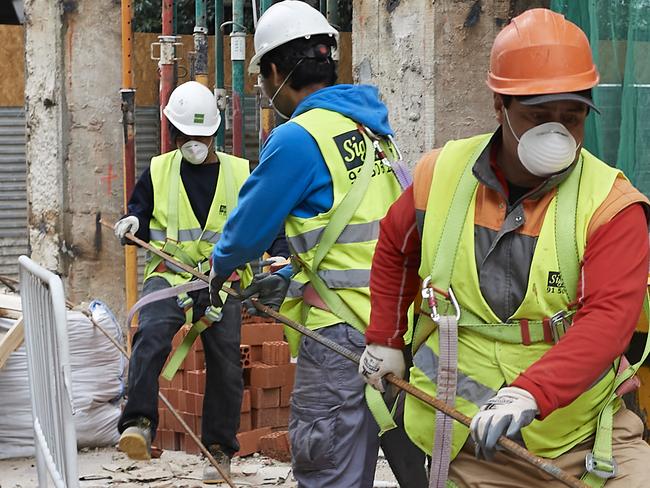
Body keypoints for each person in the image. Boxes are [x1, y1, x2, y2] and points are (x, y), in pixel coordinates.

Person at [359, 8, 650, 488]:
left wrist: (531, 393)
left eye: (572, 117)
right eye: (539, 116)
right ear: (500, 106)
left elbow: (609, 319)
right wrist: (385, 338)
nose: (557, 133)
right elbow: (396, 247)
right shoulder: (443, 175)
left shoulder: (611, 205)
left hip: (583, 437)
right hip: (470, 439)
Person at [207, 2, 425, 486]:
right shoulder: (372, 130)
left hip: (341, 337)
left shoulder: (298, 138)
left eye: (263, 78)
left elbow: (246, 234)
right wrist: (288, 276)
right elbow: (362, 235)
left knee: (329, 470)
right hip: (396, 327)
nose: (265, 91)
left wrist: (216, 269)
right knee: (416, 466)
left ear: (276, 70)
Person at [114, 81, 287, 484]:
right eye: (185, 135)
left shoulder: (241, 173)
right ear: (173, 133)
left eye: (200, 135)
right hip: (171, 276)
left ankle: (219, 450)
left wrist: (278, 253)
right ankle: (138, 423)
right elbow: (139, 210)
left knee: (226, 359)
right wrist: (133, 221)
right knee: (152, 333)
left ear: (214, 132)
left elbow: (266, 220)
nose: (193, 142)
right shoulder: (158, 170)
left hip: (220, 281)